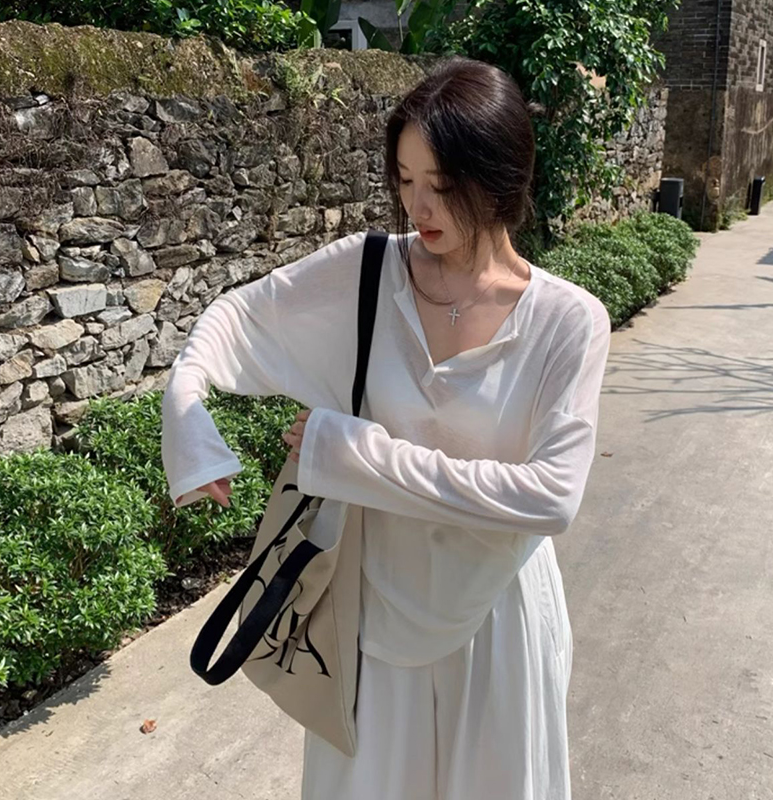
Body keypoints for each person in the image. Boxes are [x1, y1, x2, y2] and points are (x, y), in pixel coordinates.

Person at [161, 54, 611, 800]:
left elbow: (550, 497)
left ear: (501, 179)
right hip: (371, 616)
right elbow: (235, 319)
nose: (418, 207)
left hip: (499, 623)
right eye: (404, 180)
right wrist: (188, 419)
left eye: (442, 185)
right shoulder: (369, 272)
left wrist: (354, 456)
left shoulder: (568, 321)